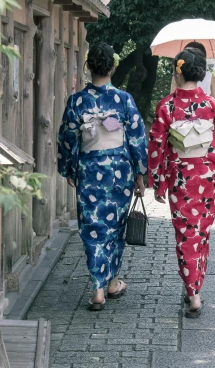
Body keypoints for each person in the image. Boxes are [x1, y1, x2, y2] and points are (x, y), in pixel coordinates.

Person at [149, 48, 215, 318]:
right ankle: (195, 287)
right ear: (200, 75)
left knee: (185, 234)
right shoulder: (212, 105)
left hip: (180, 176)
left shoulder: (167, 106)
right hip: (209, 175)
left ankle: (193, 291)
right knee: (201, 233)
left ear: (178, 72)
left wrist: (158, 180)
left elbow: (157, 146)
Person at [58, 42, 147, 311]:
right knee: (116, 227)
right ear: (113, 66)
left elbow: (67, 138)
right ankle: (113, 281)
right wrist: (140, 174)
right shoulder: (123, 99)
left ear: (88, 67)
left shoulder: (77, 101)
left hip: (89, 171)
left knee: (92, 228)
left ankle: (98, 288)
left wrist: (69, 168)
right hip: (119, 171)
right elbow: (137, 138)